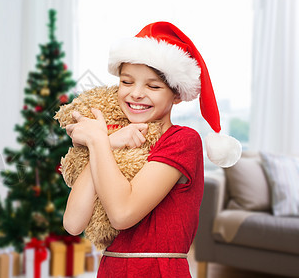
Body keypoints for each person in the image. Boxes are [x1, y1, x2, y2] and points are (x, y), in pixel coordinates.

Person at [62, 22, 241, 277]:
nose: (136, 94)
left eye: (153, 86)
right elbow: (72, 223)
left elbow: (122, 214)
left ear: (176, 94)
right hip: (111, 269)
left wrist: (99, 140)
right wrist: (108, 142)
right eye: (126, 81)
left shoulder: (182, 140)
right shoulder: (113, 142)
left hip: (158, 271)